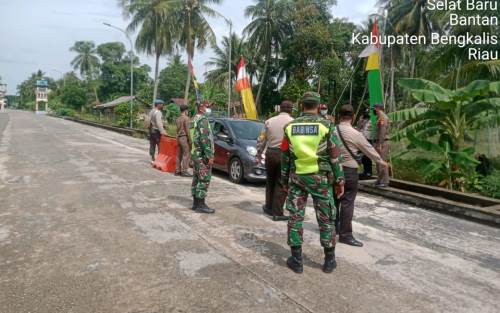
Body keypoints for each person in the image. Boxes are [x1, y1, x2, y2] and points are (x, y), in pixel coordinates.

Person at [281, 92, 345, 274]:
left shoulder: (289, 127)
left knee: (295, 218)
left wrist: (284, 180)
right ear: (318, 106)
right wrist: (340, 180)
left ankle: (297, 260)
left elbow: (285, 156)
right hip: (321, 180)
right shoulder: (326, 126)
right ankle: (329, 260)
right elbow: (335, 156)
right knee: (326, 218)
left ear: (301, 106)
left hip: (297, 178)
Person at [336, 105, 388, 247]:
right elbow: (368, 149)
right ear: (352, 117)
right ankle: (345, 235)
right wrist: (381, 161)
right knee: (347, 202)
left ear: (339, 116)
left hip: (333, 170)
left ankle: (334, 228)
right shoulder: (356, 134)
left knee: (334, 200)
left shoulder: (331, 131)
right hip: (349, 171)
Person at [256, 101, 294, 220]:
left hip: (270, 153)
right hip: (284, 155)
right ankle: (277, 213)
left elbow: (262, 139)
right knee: (281, 182)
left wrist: (259, 153)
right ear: (291, 110)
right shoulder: (293, 123)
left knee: (270, 181)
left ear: (280, 109)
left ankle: (268, 207)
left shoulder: (269, 121)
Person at [190, 102, 215, 214]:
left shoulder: (194, 119)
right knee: (204, 179)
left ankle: (195, 203)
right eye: (208, 106)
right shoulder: (203, 120)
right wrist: (209, 155)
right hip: (202, 155)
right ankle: (201, 204)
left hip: (195, 153)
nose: (210, 109)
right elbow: (204, 139)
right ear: (201, 108)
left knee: (196, 178)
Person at [374, 103, 391, 187]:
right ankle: (380, 179)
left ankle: (385, 181)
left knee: (382, 162)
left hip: (383, 142)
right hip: (381, 141)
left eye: (374, 108)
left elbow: (382, 131)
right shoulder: (380, 117)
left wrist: (379, 144)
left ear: (377, 108)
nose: (373, 110)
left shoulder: (382, 118)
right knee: (378, 162)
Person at [357, 108, 375, 179]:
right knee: (361, 157)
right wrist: (360, 122)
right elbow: (358, 128)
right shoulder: (362, 120)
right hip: (361, 139)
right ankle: (365, 171)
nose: (366, 115)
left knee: (367, 157)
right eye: (365, 113)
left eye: (367, 113)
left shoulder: (372, 121)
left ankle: (368, 172)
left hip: (368, 140)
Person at [175, 105, 192, 177]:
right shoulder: (186, 118)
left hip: (179, 137)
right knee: (186, 154)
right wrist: (190, 139)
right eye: (187, 110)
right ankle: (184, 171)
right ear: (185, 111)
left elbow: (177, 130)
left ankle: (177, 170)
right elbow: (188, 130)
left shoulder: (178, 119)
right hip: (184, 137)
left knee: (179, 154)